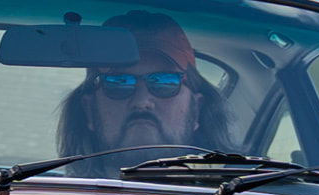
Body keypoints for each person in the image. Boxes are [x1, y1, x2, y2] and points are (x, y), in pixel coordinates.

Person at [56, 15, 231, 161]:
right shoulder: (51, 190)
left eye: (163, 82)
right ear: (89, 109)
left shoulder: (236, 191)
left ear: (196, 108)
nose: (141, 102)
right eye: (119, 83)